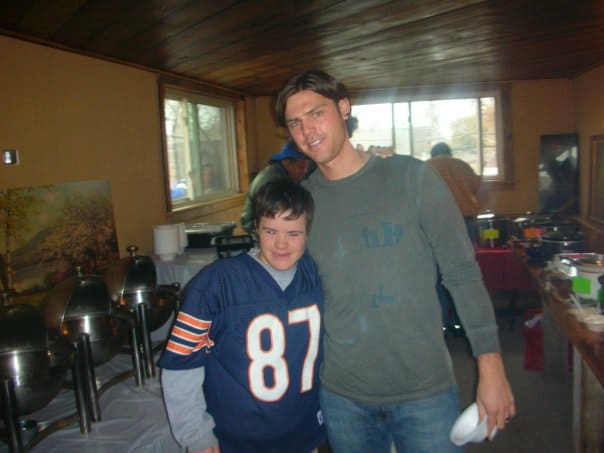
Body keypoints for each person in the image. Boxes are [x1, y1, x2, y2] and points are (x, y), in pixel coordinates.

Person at [275, 69, 515, 452]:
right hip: (342, 395)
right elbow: (279, 274)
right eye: (295, 123)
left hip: (425, 391)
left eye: (316, 113)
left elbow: (462, 274)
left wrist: (491, 367)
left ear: (343, 107)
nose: (307, 130)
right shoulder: (303, 203)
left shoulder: (412, 178)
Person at [159, 179, 326, 453]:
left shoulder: (316, 274)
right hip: (239, 439)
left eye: (294, 233)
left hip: (304, 431)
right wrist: (195, 433)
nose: (281, 243)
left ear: (308, 233)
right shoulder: (216, 283)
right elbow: (181, 364)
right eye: (270, 231)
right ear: (256, 227)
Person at [427, 142, 486, 333]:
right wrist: (477, 208)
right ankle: (463, 322)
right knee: (463, 273)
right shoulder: (463, 166)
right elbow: (484, 190)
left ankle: (442, 324)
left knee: (437, 276)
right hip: (464, 223)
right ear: (449, 153)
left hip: (435, 225)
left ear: (433, 154)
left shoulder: (425, 167)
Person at [240, 140, 310, 234]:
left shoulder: (281, 175)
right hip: (257, 229)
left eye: (306, 168)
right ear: (287, 163)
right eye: (301, 167)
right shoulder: (274, 182)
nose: (304, 172)